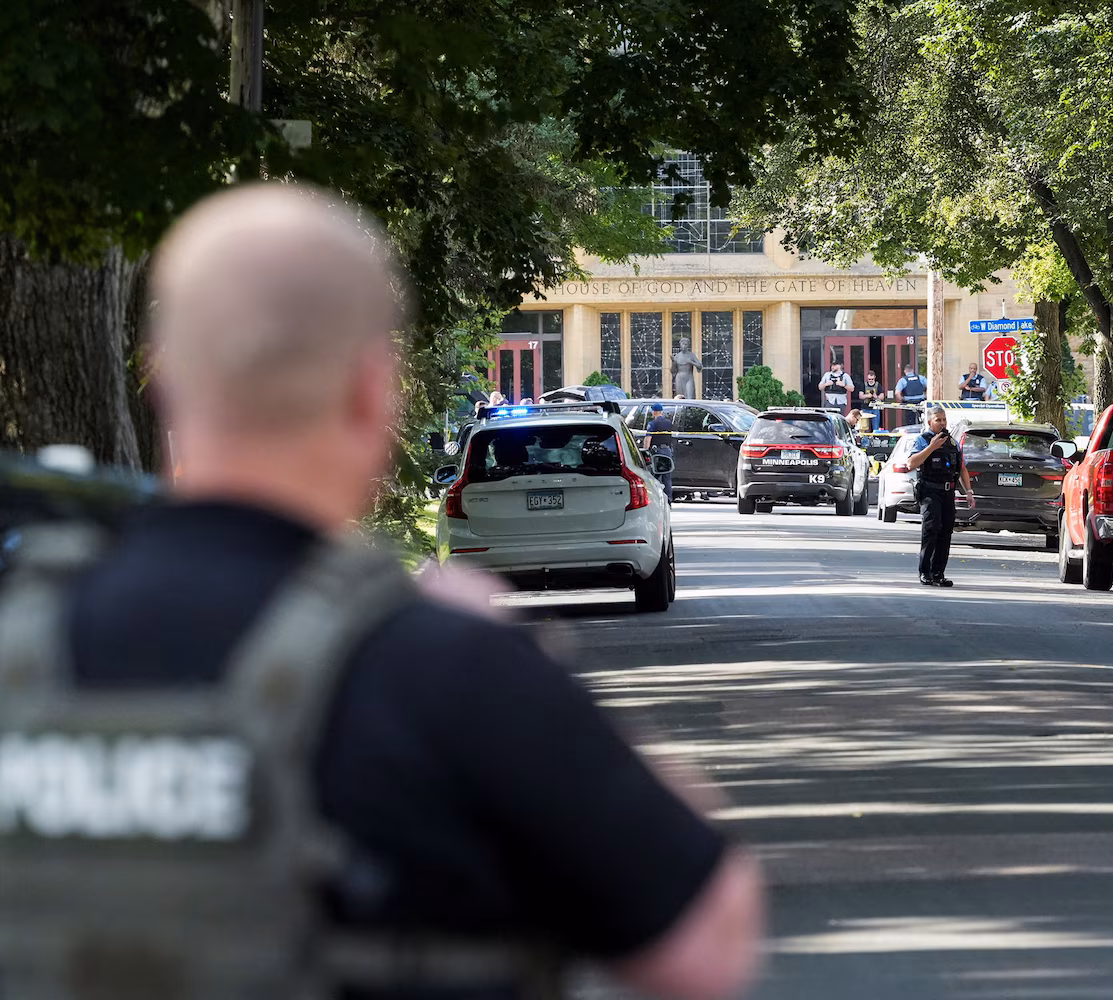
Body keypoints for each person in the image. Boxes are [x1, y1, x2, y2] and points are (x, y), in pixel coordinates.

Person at [0, 184, 761, 1000]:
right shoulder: (445, 667)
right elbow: (705, 944)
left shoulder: (23, 642)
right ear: (372, 390)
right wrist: (531, 673)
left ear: (164, 378)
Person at [907, 407, 973, 587]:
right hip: (929, 491)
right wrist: (931, 447)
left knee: (946, 531)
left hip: (948, 492)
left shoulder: (953, 442)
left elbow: (962, 468)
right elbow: (911, 463)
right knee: (931, 529)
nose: (942, 423)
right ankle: (925, 572)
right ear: (929, 422)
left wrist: (968, 492)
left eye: (944, 420)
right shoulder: (922, 440)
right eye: (938, 420)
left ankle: (938, 573)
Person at [646, 402, 676, 503]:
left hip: (657, 452)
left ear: (654, 412)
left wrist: (645, 450)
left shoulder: (652, 424)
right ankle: (668, 500)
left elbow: (648, 438)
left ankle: (654, 500)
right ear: (661, 412)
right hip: (667, 451)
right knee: (667, 478)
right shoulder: (669, 423)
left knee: (654, 477)